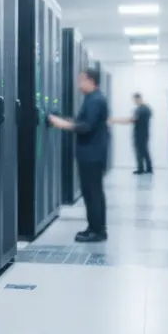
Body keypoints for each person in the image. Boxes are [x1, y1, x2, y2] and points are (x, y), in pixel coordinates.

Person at [49, 68, 110, 243]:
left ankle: (96, 231)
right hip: (93, 153)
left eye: (81, 80)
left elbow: (87, 127)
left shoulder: (95, 100)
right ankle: (95, 227)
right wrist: (70, 121)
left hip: (92, 154)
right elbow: (85, 123)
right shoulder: (94, 99)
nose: (79, 84)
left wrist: (63, 125)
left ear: (91, 81)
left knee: (92, 193)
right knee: (93, 192)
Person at [110, 93, 153, 175]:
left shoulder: (140, 109)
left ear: (138, 99)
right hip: (144, 133)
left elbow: (132, 120)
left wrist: (115, 120)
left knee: (140, 151)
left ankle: (141, 169)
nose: (134, 102)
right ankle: (148, 168)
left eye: (134, 100)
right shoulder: (147, 108)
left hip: (139, 133)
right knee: (144, 150)